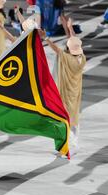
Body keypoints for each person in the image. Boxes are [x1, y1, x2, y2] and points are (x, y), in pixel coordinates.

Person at [39, 26, 86, 155]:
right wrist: (70, 29)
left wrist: (46, 38)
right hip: (75, 94)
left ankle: (69, 146)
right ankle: (73, 144)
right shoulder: (82, 58)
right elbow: (73, 41)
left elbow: (57, 50)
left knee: (64, 119)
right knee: (73, 118)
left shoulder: (68, 59)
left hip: (65, 93)